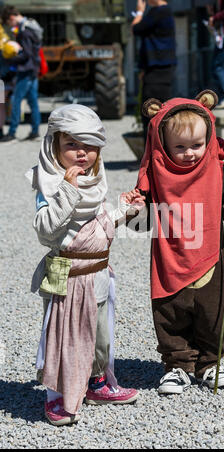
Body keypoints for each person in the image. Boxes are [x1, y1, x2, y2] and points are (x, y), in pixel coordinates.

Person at [26, 104, 144, 425]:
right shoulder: (50, 185)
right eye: (72, 145)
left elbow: (97, 223)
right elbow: (47, 230)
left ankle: (96, 383)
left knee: (100, 336)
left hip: (98, 273)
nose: (82, 153)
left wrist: (124, 211)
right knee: (66, 337)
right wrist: (67, 191)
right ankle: (59, 395)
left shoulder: (95, 183)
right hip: (68, 276)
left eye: (89, 146)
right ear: (54, 147)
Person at [135, 90, 224, 394]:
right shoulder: (155, 175)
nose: (190, 153)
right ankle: (177, 365)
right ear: (162, 145)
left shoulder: (218, 170)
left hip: (210, 254)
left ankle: (210, 362)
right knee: (171, 310)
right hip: (170, 256)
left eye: (197, 146)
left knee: (215, 309)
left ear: (209, 140)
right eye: (180, 147)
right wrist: (133, 208)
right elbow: (142, 222)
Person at [131, 0, 176, 144]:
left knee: (154, 114)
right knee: (152, 114)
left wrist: (139, 12)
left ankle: (155, 157)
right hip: (154, 69)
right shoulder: (158, 12)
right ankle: (151, 156)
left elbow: (136, 29)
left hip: (159, 71)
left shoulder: (161, 11)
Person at [0, 5, 42, 142]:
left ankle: (12, 133)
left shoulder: (24, 31)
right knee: (33, 101)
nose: (10, 25)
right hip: (34, 69)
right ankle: (35, 132)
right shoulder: (31, 26)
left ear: (11, 18)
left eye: (8, 23)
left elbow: (26, 54)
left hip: (25, 70)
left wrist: (10, 58)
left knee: (16, 100)